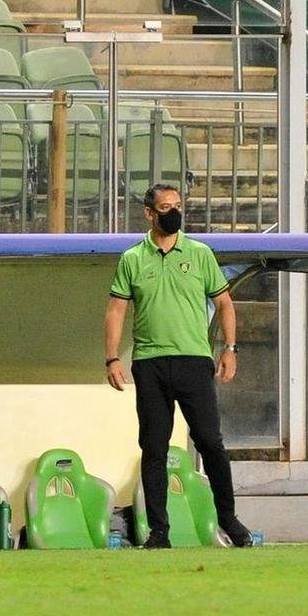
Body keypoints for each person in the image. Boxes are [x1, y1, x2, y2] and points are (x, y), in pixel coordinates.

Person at [104, 183, 254, 549]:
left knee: (210, 442)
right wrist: (112, 357)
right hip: (149, 363)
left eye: (177, 206)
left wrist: (230, 348)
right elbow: (116, 310)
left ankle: (229, 519)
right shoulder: (132, 259)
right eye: (165, 207)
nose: (173, 213)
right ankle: (159, 531)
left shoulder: (200, 254)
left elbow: (225, 303)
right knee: (154, 447)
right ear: (149, 213)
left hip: (194, 361)